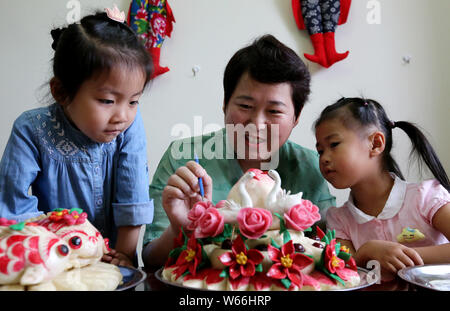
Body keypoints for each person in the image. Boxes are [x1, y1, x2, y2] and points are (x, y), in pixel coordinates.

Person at [142, 34, 336, 267]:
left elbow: (329, 253)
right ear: (225, 103)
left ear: (297, 116)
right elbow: (152, 261)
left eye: (274, 111)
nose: (256, 123)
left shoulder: (311, 166)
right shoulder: (183, 158)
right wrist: (179, 228)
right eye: (245, 106)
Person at [0, 10, 154, 267]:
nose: (122, 115)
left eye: (134, 101)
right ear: (61, 91)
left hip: (115, 260)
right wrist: (62, 253)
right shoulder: (31, 129)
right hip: (50, 258)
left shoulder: (129, 126)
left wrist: (124, 256)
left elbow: (132, 195)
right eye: (107, 100)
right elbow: (13, 205)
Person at [314, 97, 450, 280]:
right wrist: (365, 253)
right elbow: (344, 270)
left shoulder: (426, 197)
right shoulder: (338, 220)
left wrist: (397, 257)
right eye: (320, 150)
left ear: (376, 144)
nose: (324, 158)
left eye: (334, 145)